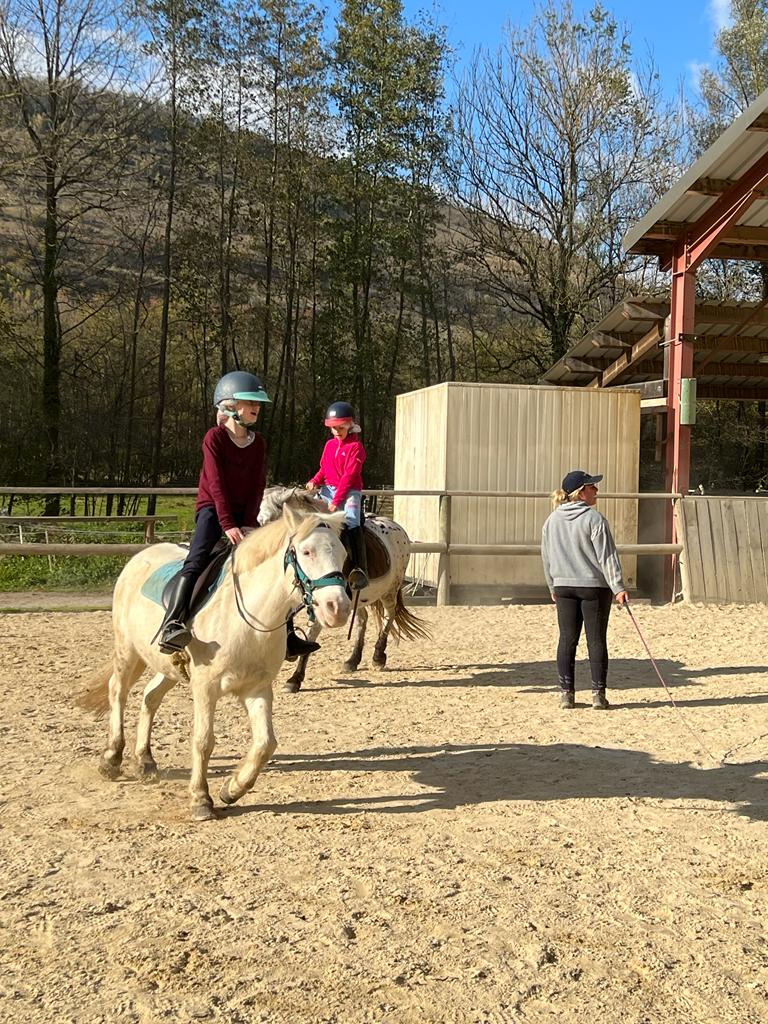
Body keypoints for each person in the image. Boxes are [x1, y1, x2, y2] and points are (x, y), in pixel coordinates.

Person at [157, 370, 318, 660]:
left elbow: (257, 485)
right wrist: (228, 524)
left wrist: (248, 522)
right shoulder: (215, 438)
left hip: (245, 512)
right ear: (231, 405)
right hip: (212, 508)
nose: (257, 407)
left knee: (273, 563)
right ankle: (173, 623)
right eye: (250, 402)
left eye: (258, 403)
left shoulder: (259, 443)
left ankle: (287, 634)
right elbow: (216, 484)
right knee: (196, 560)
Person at [540, 469, 629, 711]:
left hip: (563, 587)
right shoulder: (595, 519)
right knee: (596, 640)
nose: (596, 490)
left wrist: (552, 585)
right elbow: (607, 557)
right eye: (592, 487)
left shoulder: (551, 521)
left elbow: (546, 557)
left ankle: (566, 694)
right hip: (593, 587)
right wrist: (618, 586)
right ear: (581, 493)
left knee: (566, 640)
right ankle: (598, 695)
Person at [306, 401, 368, 590]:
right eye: (333, 428)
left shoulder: (356, 447)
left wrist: (336, 501)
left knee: (352, 521)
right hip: (328, 489)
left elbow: (349, 476)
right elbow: (324, 469)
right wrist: (314, 481)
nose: (337, 431)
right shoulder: (330, 445)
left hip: (349, 491)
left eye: (341, 427)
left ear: (350, 425)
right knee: (312, 518)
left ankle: (359, 568)